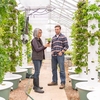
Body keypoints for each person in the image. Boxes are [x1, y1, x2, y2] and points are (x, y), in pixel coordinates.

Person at [48, 25, 69, 89]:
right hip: (53, 56)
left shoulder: (63, 37)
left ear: (60, 30)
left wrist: (62, 52)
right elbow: (52, 46)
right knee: (54, 69)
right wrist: (52, 51)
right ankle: (54, 81)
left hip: (60, 55)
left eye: (57, 29)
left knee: (61, 69)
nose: (56, 30)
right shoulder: (53, 38)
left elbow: (66, 46)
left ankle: (63, 83)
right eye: (55, 29)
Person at [31, 28, 50, 93]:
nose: (40, 34)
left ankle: (36, 86)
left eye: (41, 32)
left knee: (37, 72)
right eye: (39, 32)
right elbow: (37, 49)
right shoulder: (34, 40)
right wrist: (44, 46)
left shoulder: (39, 40)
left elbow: (41, 48)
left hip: (39, 58)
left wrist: (45, 46)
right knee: (37, 72)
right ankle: (36, 88)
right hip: (36, 58)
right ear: (36, 33)